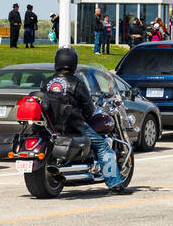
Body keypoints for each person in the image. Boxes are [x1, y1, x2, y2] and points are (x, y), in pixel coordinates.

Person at [41, 47, 124, 191]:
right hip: (73, 125)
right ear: (73, 63)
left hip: (50, 125)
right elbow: (89, 108)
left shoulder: (46, 82)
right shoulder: (76, 83)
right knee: (104, 148)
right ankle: (115, 183)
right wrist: (85, 117)